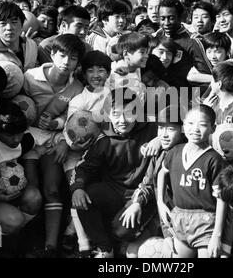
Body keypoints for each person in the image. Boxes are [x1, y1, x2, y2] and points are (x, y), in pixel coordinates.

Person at [71, 88, 157, 258]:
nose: (122, 120)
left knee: (122, 231)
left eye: (129, 113)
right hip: (116, 191)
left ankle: (153, 227)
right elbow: (83, 167)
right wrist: (77, 187)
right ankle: (105, 248)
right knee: (85, 195)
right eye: (116, 114)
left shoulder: (153, 129)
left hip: (144, 193)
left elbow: (181, 131)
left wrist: (160, 139)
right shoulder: (103, 136)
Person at [23, 33, 85, 257]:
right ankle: (26, 242)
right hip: (27, 141)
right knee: (29, 190)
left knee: (51, 189)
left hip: (54, 142)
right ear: (52, 54)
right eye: (62, 55)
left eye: (73, 58)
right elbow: (18, 105)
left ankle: (51, 246)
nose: (66, 62)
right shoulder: (29, 77)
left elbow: (75, 118)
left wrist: (62, 136)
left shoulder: (77, 87)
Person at [157, 104, 229, 258]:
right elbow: (162, 172)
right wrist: (160, 202)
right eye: (190, 123)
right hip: (179, 220)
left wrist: (217, 235)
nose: (195, 129)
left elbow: (222, 199)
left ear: (213, 128)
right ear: (183, 126)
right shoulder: (174, 152)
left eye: (202, 125)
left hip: (206, 223)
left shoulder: (214, 160)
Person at [62, 50, 112, 255]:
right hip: (77, 154)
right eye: (91, 70)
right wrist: (73, 144)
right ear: (84, 73)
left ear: (108, 73)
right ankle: (83, 243)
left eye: (101, 70)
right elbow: (69, 130)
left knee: (93, 194)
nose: (96, 75)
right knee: (78, 190)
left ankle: (71, 230)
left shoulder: (115, 95)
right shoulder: (78, 100)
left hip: (103, 153)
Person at [0, 101, 42, 257]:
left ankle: (14, 237)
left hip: (13, 193)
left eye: (20, 133)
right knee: (13, 220)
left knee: (34, 197)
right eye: (11, 135)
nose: (17, 139)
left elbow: (50, 138)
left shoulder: (25, 140)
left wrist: (63, 144)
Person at [0, 2, 38, 72]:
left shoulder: (31, 45)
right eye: (3, 23)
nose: (9, 28)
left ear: (22, 24)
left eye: (14, 22)